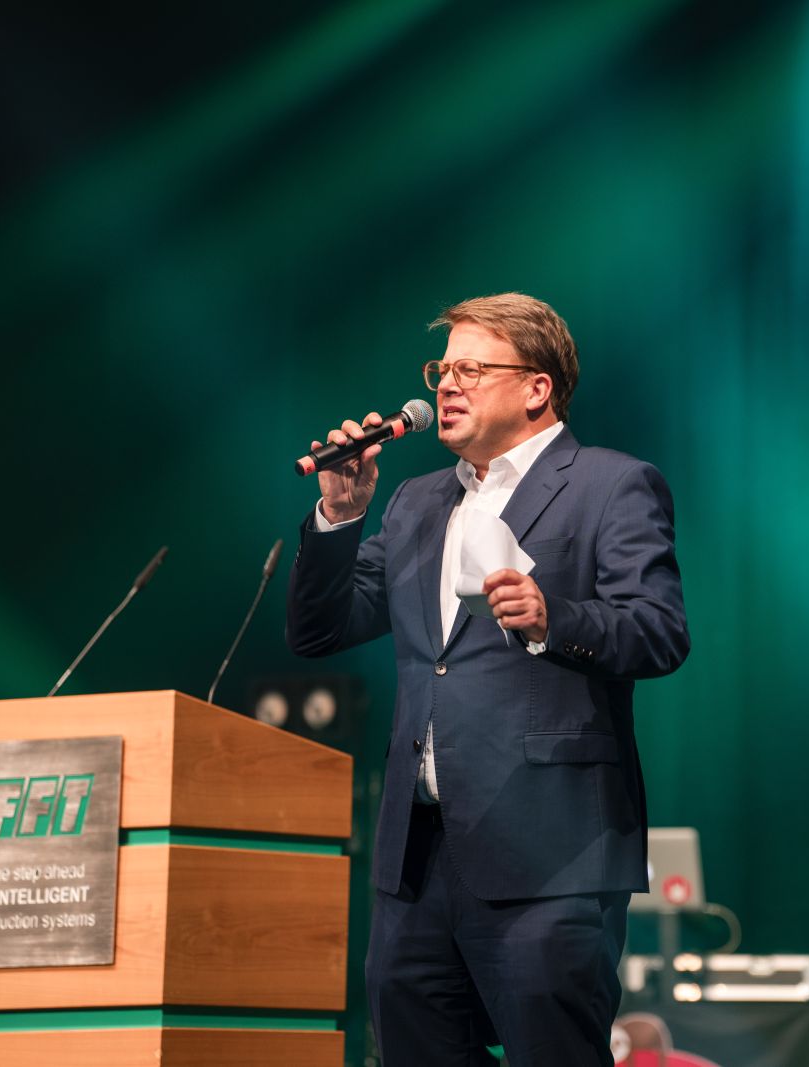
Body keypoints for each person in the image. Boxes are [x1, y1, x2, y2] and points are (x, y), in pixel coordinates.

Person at [287, 292, 689, 1066]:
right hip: (418, 859)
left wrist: (552, 618)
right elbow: (320, 630)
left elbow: (659, 630)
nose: (446, 384)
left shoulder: (611, 484)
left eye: (471, 369)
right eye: (441, 370)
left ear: (537, 387)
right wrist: (340, 517)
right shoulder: (416, 502)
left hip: (550, 849)